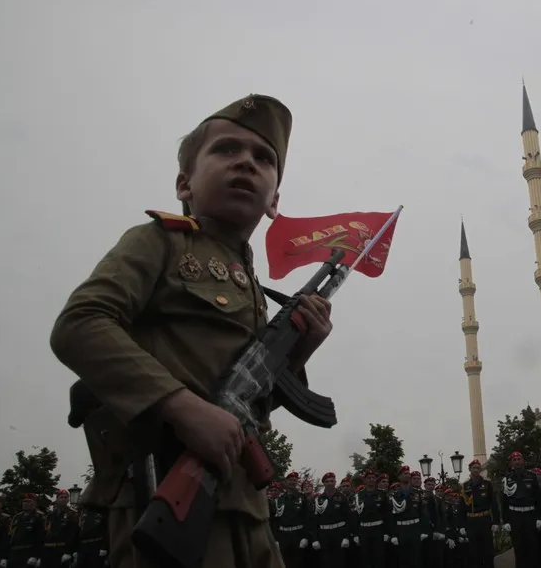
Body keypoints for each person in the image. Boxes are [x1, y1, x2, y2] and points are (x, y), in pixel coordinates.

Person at [49, 94, 335, 568]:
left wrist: (299, 353)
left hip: (245, 504)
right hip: (164, 489)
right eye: (226, 150)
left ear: (274, 201)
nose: (246, 162)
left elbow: (248, 404)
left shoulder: (251, 284)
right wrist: (180, 407)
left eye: (264, 158)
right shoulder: (159, 241)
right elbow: (79, 324)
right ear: (184, 182)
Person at [501, 451, 541, 568]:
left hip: (530, 515)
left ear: (523, 461)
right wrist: (506, 521)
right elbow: (504, 501)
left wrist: (539, 518)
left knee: (533, 548)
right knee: (519, 549)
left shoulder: (531, 476)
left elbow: (538, 499)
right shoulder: (507, 479)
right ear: (511, 463)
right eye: (514, 460)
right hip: (515, 517)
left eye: (519, 459)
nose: (517, 462)